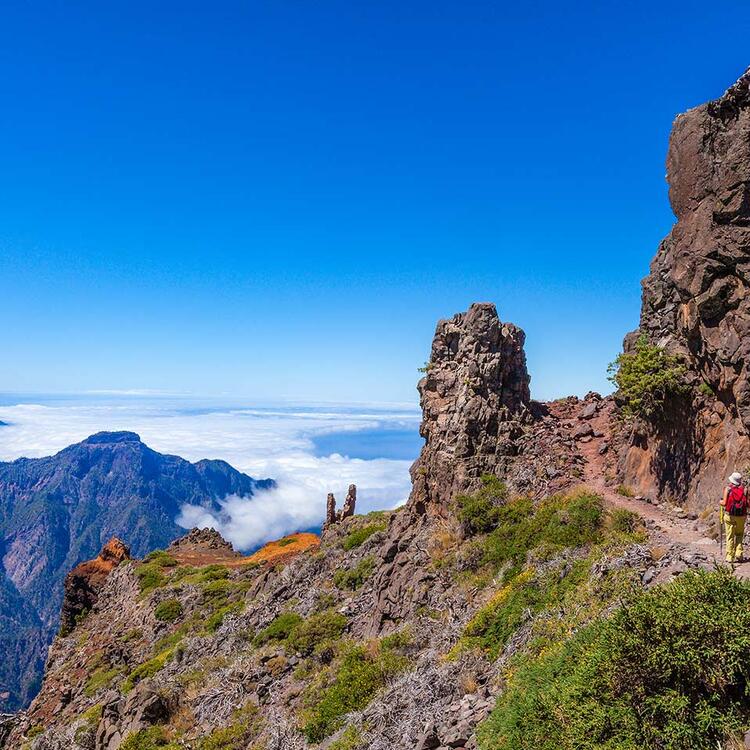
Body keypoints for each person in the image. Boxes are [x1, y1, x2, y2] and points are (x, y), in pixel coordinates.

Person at [721, 471, 748, 564]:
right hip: (742, 515)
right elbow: (748, 504)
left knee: (730, 535)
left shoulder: (728, 489)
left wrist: (720, 502)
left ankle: (729, 556)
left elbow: (724, 503)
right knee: (739, 534)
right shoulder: (745, 490)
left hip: (729, 515)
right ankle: (739, 553)